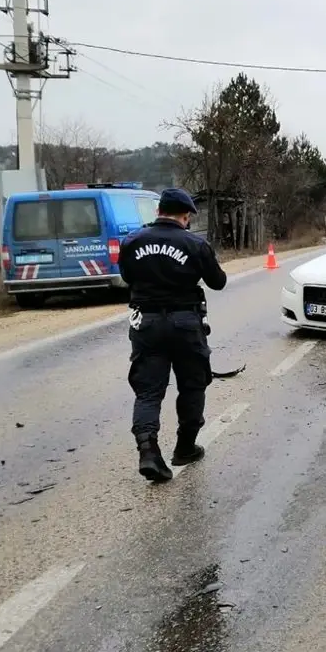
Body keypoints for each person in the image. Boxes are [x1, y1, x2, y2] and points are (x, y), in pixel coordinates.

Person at [119, 188, 227, 482]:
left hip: (146, 324)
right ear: (186, 216)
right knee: (192, 385)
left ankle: (148, 451)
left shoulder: (132, 241)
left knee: (148, 391)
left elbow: (127, 276)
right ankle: (185, 446)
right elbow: (218, 282)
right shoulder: (194, 243)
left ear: (158, 212)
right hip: (185, 322)